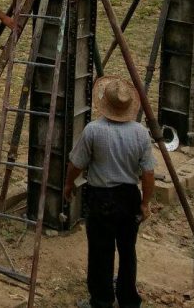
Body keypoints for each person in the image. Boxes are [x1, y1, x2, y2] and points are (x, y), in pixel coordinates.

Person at [65, 76, 155, 308]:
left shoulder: (93, 130)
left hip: (101, 198)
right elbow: (148, 174)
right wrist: (145, 203)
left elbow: (77, 163)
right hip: (129, 197)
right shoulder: (141, 133)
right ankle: (128, 299)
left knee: (100, 251)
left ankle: (102, 300)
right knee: (127, 251)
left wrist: (68, 184)